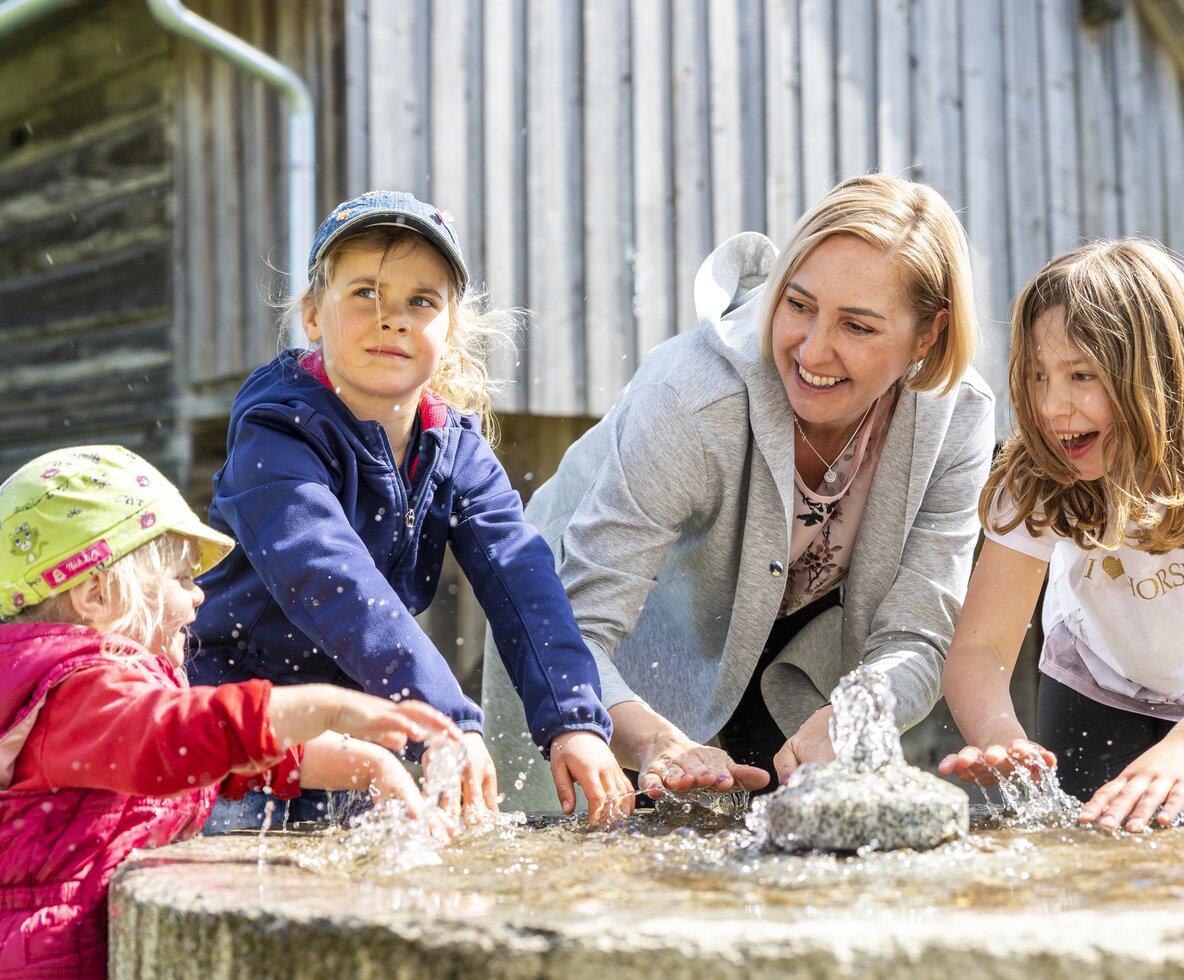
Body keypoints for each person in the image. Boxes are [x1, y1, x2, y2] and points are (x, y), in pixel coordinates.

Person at [483, 173, 995, 810]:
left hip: (791, 643)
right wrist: (653, 742)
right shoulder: (692, 399)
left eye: (858, 327)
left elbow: (917, 637)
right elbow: (579, 629)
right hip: (603, 629)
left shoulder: (958, 418)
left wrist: (854, 713)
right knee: (597, 854)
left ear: (927, 336)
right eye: (799, 304)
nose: (813, 350)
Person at [189, 190, 633, 827]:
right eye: (365, 292)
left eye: (420, 301)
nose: (391, 317)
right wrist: (445, 721)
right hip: (243, 720)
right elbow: (332, 577)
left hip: (363, 719)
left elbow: (523, 582)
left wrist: (574, 720)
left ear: (448, 329)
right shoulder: (278, 433)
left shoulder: (455, 449)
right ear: (313, 315)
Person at [0, 445, 462, 979]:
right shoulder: (75, 688)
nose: (198, 598)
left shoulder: (96, 691)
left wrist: (375, 765)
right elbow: (183, 736)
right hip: (47, 960)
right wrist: (326, 707)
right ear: (97, 594)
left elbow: (235, 754)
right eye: (182, 579)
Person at [938, 239, 1184, 834]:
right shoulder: (1035, 481)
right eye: (1037, 375)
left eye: (1081, 375)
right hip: (1100, 682)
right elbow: (980, 649)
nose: (1053, 405)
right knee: (1088, 845)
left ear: (1156, 374)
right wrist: (1000, 736)